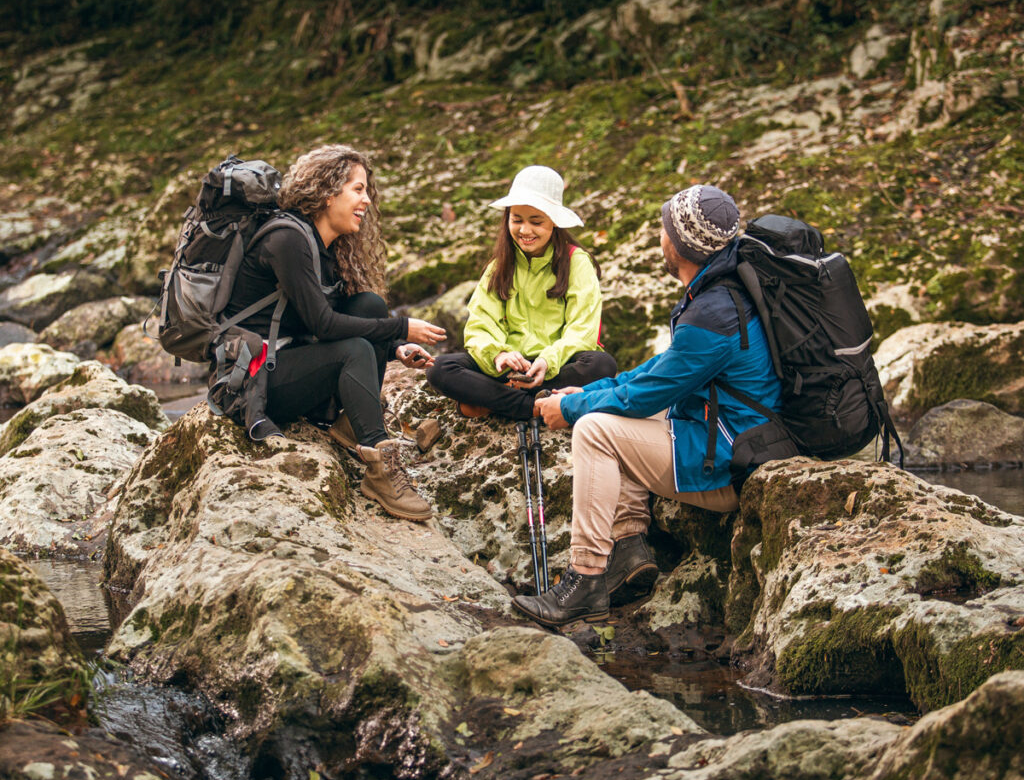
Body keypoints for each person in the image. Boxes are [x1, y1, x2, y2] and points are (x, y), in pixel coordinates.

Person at [513, 184, 782, 626]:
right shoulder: (723, 288)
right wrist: (587, 394)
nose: (660, 236)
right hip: (736, 434)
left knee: (595, 430)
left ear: (681, 245)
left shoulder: (714, 315)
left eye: (665, 229)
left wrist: (575, 410)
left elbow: (647, 395)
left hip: (733, 463)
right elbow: (661, 371)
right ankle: (629, 547)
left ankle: (585, 580)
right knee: (608, 409)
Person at [223, 144, 446, 522]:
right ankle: (380, 469)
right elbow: (323, 325)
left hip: (289, 362)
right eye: (358, 189)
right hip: (253, 381)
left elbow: (339, 319)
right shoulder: (287, 239)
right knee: (354, 349)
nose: (367, 201)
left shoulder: (322, 245)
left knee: (370, 305)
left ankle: (352, 424)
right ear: (328, 192)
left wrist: (395, 347)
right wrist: (402, 326)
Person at [426, 165, 616, 421]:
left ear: (554, 221)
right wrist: (499, 354)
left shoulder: (577, 262)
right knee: (439, 368)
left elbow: (583, 330)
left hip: (555, 366)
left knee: (602, 365)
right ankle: (532, 405)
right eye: (517, 220)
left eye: (536, 222)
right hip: (508, 368)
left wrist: (548, 361)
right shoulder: (498, 266)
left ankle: (495, 401)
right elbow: (480, 325)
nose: (525, 231)